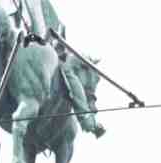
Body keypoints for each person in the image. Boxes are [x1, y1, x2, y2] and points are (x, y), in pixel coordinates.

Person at [10, 0, 105, 137]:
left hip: (27, 49)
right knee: (68, 72)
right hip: (36, 53)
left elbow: (55, 31)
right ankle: (86, 119)